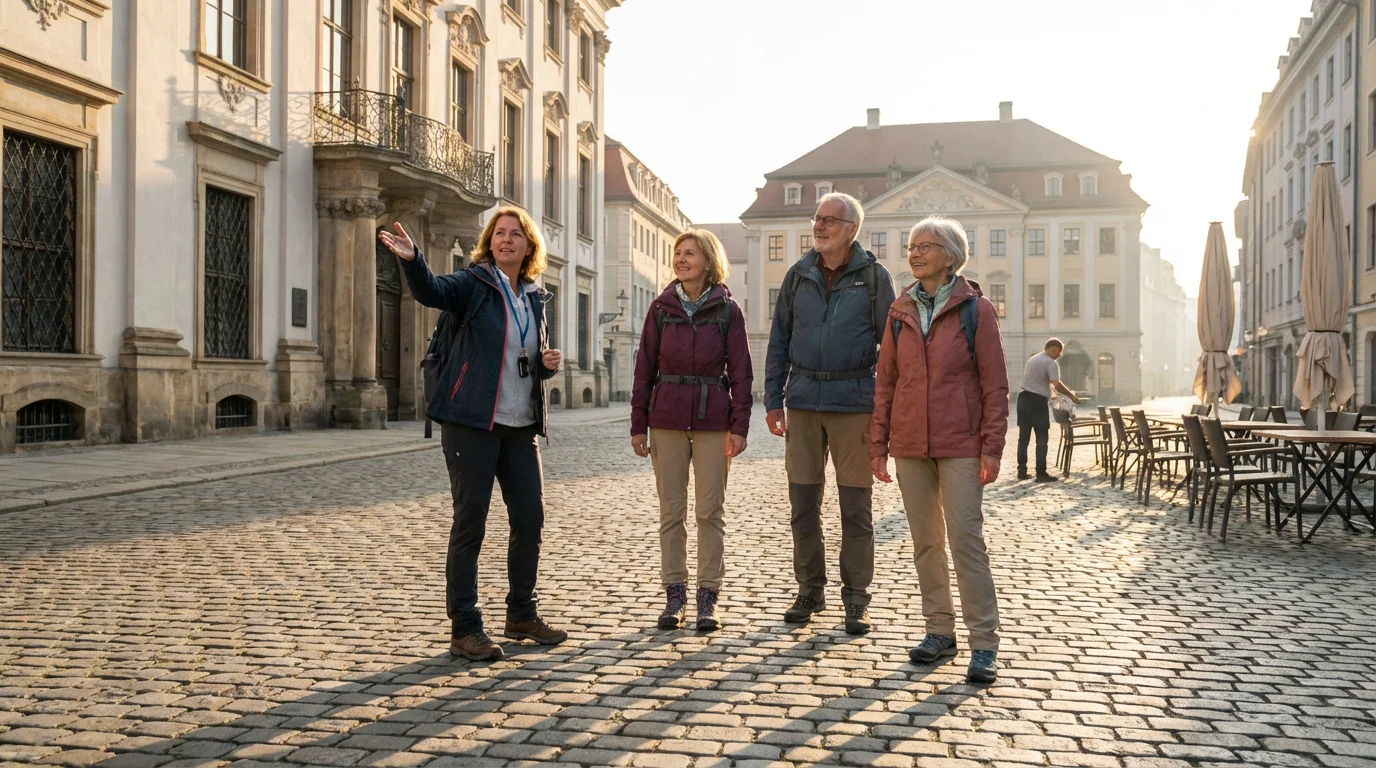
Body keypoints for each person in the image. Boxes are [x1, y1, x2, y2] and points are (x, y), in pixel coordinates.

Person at [379, 206, 567, 662]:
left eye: (516, 234)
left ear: (528, 246)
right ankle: (465, 626)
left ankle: (522, 612)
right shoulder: (474, 283)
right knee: (471, 523)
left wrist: (544, 365)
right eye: (500, 233)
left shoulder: (533, 297)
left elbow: (519, 358)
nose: (507, 240)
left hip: (520, 425)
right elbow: (432, 290)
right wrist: (413, 261)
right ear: (490, 241)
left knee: (530, 518)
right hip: (472, 423)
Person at [870, 216, 1009, 684]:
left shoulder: (976, 311)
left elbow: (995, 386)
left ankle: (984, 643)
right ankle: (938, 632)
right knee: (925, 543)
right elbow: (886, 382)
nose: (915, 253)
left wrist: (992, 448)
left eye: (925, 246)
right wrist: (878, 444)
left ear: (950, 254)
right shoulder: (899, 310)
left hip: (960, 444)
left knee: (966, 539)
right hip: (910, 443)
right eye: (911, 246)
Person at [764, 192, 896, 635]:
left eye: (830, 221)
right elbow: (778, 340)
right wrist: (772, 399)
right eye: (817, 219)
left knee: (855, 510)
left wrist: (885, 410)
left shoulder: (875, 278)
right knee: (803, 505)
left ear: (852, 229)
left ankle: (857, 599)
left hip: (854, 404)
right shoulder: (797, 275)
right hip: (802, 403)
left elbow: (892, 350)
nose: (819, 226)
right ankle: (809, 589)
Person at [630, 229, 753, 632]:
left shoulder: (727, 310)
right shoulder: (661, 308)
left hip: (713, 422)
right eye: (678, 253)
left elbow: (741, 373)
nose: (681, 259)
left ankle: (707, 598)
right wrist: (638, 424)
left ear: (709, 261)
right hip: (664, 419)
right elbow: (644, 368)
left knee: (709, 511)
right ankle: (674, 596)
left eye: (691, 254)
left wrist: (739, 427)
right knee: (671, 512)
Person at [1017, 338, 1079, 482]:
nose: (1059, 355)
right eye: (1058, 351)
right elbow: (1056, 384)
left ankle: (1021, 471)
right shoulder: (1051, 363)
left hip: (1023, 400)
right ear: (1051, 348)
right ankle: (1041, 473)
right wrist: (1072, 396)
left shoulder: (1033, 359)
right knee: (1042, 438)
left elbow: (1039, 382)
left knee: (1023, 439)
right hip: (1037, 403)